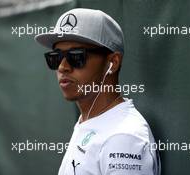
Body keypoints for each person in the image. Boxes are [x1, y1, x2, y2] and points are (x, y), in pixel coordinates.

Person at [35, 8, 160, 175]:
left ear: (112, 63)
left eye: (76, 56)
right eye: (55, 57)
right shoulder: (91, 119)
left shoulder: (123, 137)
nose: (62, 67)